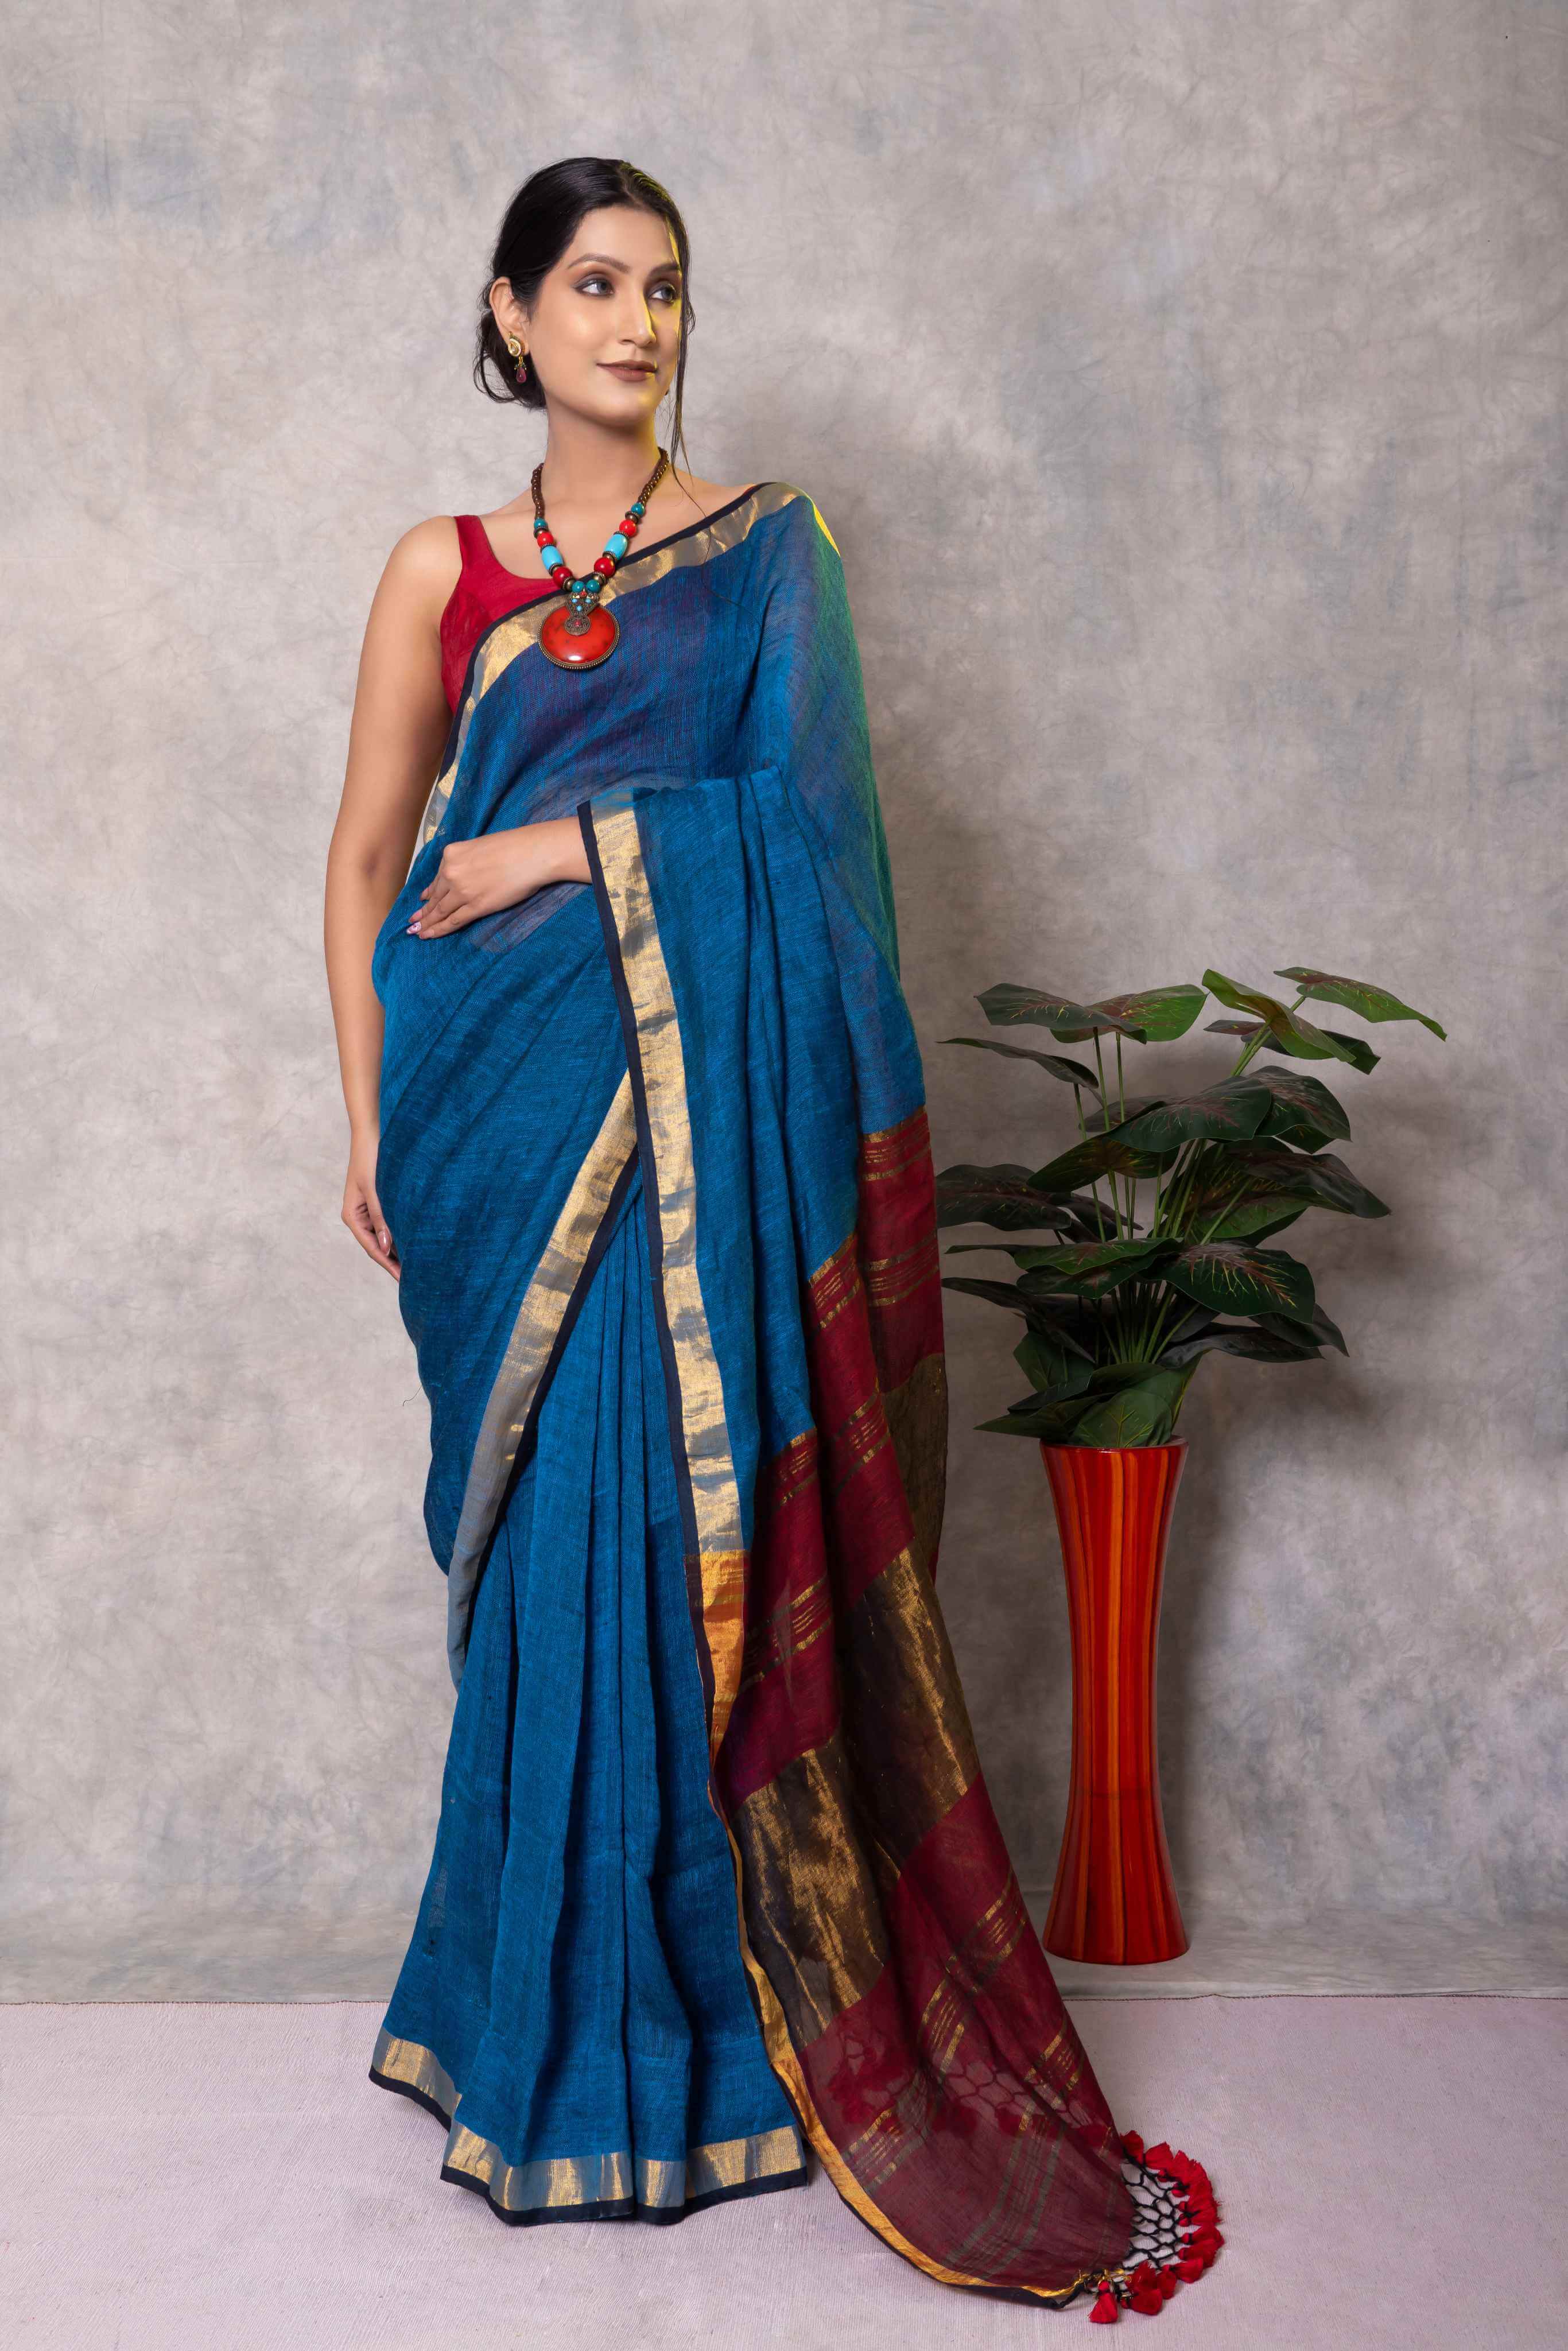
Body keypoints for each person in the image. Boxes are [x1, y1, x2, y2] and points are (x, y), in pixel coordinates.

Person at [322, 156, 1217, 2321]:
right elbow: (360, 861)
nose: (638, 323)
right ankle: (527, 2023)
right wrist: (370, 1121)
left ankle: (702, 2045)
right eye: (598, 286)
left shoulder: (771, 560)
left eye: (668, 288)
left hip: (688, 1146)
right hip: (492, 1129)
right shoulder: (439, 567)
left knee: (665, 1551)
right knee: (544, 1559)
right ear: (515, 315)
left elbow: (814, 863)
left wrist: (570, 841)